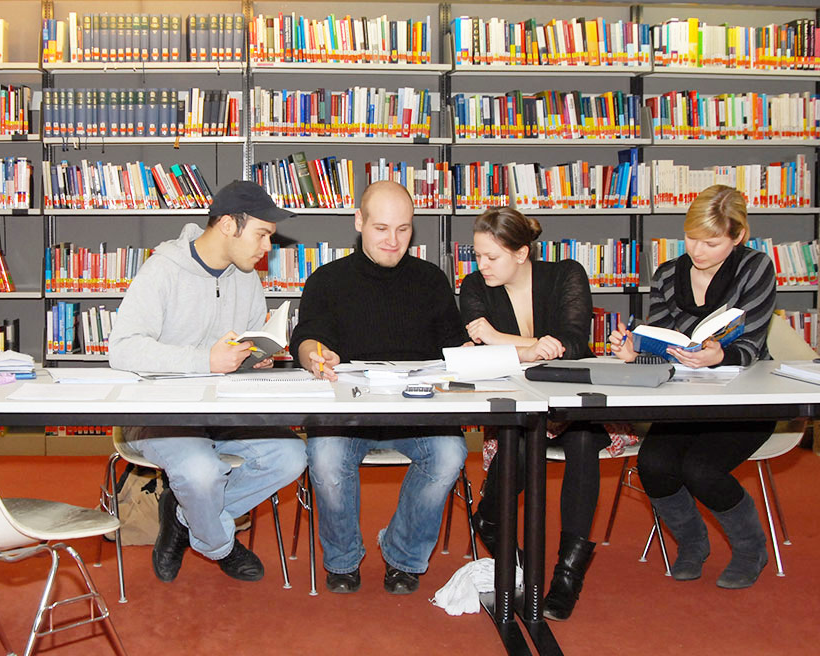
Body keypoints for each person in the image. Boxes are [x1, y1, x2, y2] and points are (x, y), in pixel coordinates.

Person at [108, 180, 307, 583]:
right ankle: (219, 543)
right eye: (262, 234)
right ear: (230, 225)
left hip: (223, 410)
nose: (268, 247)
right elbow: (123, 349)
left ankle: (183, 516)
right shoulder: (162, 270)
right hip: (161, 415)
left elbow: (243, 346)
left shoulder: (246, 279)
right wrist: (206, 360)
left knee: (292, 457)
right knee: (201, 473)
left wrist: (254, 359)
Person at [290, 180, 470, 595]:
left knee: (449, 453)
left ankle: (403, 554)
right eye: (381, 228)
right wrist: (314, 355)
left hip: (418, 411)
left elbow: (453, 345)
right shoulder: (327, 279)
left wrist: (478, 353)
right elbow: (307, 337)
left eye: (404, 229)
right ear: (359, 222)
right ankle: (343, 559)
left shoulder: (430, 280)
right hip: (347, 414)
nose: (393, 240)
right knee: (326, 455)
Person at [609, 184, 775, 589]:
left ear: (738, 237)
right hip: (686, 394)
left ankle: (751, 549)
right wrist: (635, 354)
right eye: (691, 238)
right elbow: (663, 346)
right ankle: (693, 543)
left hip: (747, 396)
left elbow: (751, 344)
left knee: (700, 468)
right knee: (653, 465)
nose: (698, 251)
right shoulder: (668, 274)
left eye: (712, 242)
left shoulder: (756, 267)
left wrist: (720, 356)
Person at [459, 206, 611, 621]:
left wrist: (499, 341)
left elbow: (573, 346)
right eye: (477, 255)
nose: (481, 265)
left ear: (522, 253)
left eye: (492, 257)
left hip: (571, 401)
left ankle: (567, 575)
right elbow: (473, 344)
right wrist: (529, 348)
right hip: (518, 403)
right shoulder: (474, 285)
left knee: (583, 442)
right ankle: (490, 521)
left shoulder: (567, 275)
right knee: (521, 444)